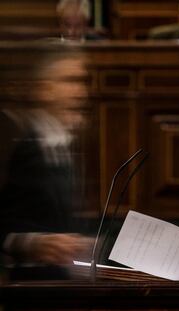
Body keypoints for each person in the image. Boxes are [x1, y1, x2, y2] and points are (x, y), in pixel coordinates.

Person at [0, 46, 92, 279]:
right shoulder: (16, 145)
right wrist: (29, 244)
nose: (81, 93)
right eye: (70, 81)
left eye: (82, 82)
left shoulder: (65, 144)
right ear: (44, 89)